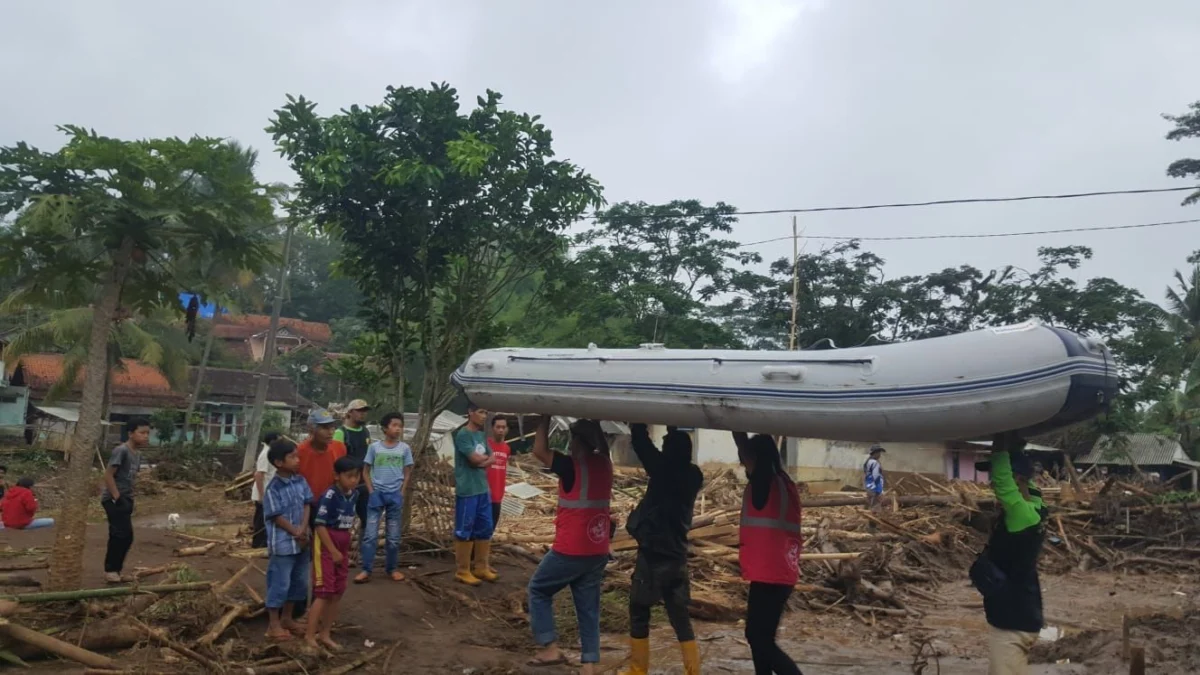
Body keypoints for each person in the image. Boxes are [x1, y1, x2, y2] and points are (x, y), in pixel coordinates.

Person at [526, 416, 613, 673]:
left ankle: (549, 649)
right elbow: (603, 448)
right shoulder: (605, 464)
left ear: (577, 443)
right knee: (588, 609)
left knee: (538, 590)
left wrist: (543, 418)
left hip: (571, 549)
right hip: (597, 549)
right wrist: (596, 423)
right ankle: (589, 665)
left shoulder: (571, 466)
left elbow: (539, 451)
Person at [620, 424, 703, 675]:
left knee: (638, 609)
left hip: (654, 554)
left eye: (666, 445)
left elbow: (642, 445)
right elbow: (660, 452)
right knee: (679, 616)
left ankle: (638, 670)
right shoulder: (693, 476)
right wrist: (672, 423)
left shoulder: (662, 471)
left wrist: (636, 423)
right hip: (677, 555)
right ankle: (693, 671)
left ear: (669, 452)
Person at [973, 433, 1046, 675]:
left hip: (1011, 625)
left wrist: (1000, 441)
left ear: (1017, 478)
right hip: (1023, 613)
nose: (992, 483)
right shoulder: (1036, 507)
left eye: (994, 477)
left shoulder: (1021, 516)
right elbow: (1027, 486)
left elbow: (1006, 485)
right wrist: (1016, 447)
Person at [732, 431, 803, 675]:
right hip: (777, 571)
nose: (741, 462)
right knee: (759, 637)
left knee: (758, 638)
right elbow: (746, 452)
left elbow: (746, 453)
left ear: (757, 458)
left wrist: (734, 423)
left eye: (745, 458)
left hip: (771, 573)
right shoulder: (782, 481)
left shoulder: (764, 483)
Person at [308, 456, 361, 651]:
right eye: (349, 477)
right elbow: (320, 525)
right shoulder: (329, 496)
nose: (354, 481)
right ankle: (309, 635)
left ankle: (325, 634)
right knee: (323, 592)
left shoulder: (353, 495)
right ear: (337, 476)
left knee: (337, 592)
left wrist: (344, 549)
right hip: (326, 545)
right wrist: (332, 550)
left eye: (356, 477)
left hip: (343, 542)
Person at [263, 438, 313, 642]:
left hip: (302, 541)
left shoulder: (300, 481)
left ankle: (287, 618)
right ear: (278, 462)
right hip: (284, 544)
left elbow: (307, 504)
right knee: (279, 583)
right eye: (292, 457)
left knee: (298, 582)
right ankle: (272, 624)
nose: (297, 460)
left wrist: (304, 527)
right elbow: (275, 516)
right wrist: (295, 531)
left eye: (297, 456)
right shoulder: (272, 488)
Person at [356, 412, 413, 583]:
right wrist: (371, 490)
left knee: (394, 537)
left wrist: (402, 491)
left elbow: (407, 471)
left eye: (400, 426)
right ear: (385, 428)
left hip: (395, 495)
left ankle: (392, 569)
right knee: (370, 535)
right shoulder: (374, 448)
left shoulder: (404, 448)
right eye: (394, 425)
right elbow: (365, 470)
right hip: (377, 495)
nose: (398, 429)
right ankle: (366, 569)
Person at [452, 404, 497, 586]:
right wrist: (483, 461)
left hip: (482, 488)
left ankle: (481, 567)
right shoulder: (463, 435)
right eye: (480, 412)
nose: (484, 416)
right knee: (465, 528)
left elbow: (490, 458)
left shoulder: (481, 436)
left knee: (485, 527)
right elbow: (475, 459)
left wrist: (482, 461)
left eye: (486, 412)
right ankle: (462, 570)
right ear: (470, 413)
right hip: (467, 489)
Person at [101, 418, 149, 584]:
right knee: (119, 534)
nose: (146, 436)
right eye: (142, 433)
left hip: (126, 498)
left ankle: (116, 571)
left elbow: (129, 478)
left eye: (147, 433)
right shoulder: (121, 450)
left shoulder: (137, 454)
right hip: (114, 499)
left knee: (127, 536)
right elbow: (108, 475)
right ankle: (110, 571)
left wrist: (129, 498)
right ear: (130, 433)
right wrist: (117, 497)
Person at [297, 408, 347, 528]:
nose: (330, 432)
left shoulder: (339, 448)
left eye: (332, 427)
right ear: (311, 429)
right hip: (308, 506)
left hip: (334, 504)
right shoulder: (299, 452)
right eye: (325, 428)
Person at [332, 399, 372, 530]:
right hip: (347, 485)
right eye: (359, 411)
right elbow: (336, 461)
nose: (363, 414)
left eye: (364, 411)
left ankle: (363, 549)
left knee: (368, 520)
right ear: (350, 412)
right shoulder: (341, 433)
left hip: (363, 483)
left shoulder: (365, 432)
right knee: (343, 520)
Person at [252, 431, 282, 549]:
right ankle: (258, 544)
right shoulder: (266, 454)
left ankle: (264, 543)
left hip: (269, 493)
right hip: (263, 493)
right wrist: (261, 495)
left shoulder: (271, 453)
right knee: (261, 520)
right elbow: (259, 475)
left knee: (266, 519)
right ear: (272, 441)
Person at [487, 416, 512, 528]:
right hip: (484, 493)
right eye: (498, 427)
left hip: (498, 494)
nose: (501, 430)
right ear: (492, 428)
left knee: (493, 524)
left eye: (503, 427)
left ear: (507, 429)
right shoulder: (485, 445)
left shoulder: (507, 448)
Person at [863, 444, 885, 513]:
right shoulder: (874, 463)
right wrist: (880, 490)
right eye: (878, 452)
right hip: (874, 488)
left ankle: (869, 520)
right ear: (875, 453)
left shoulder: (868, 461)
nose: (880, 454)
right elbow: (876, 477)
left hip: (870, 487)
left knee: (871, 504)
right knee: (876, 507)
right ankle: (873, 523)